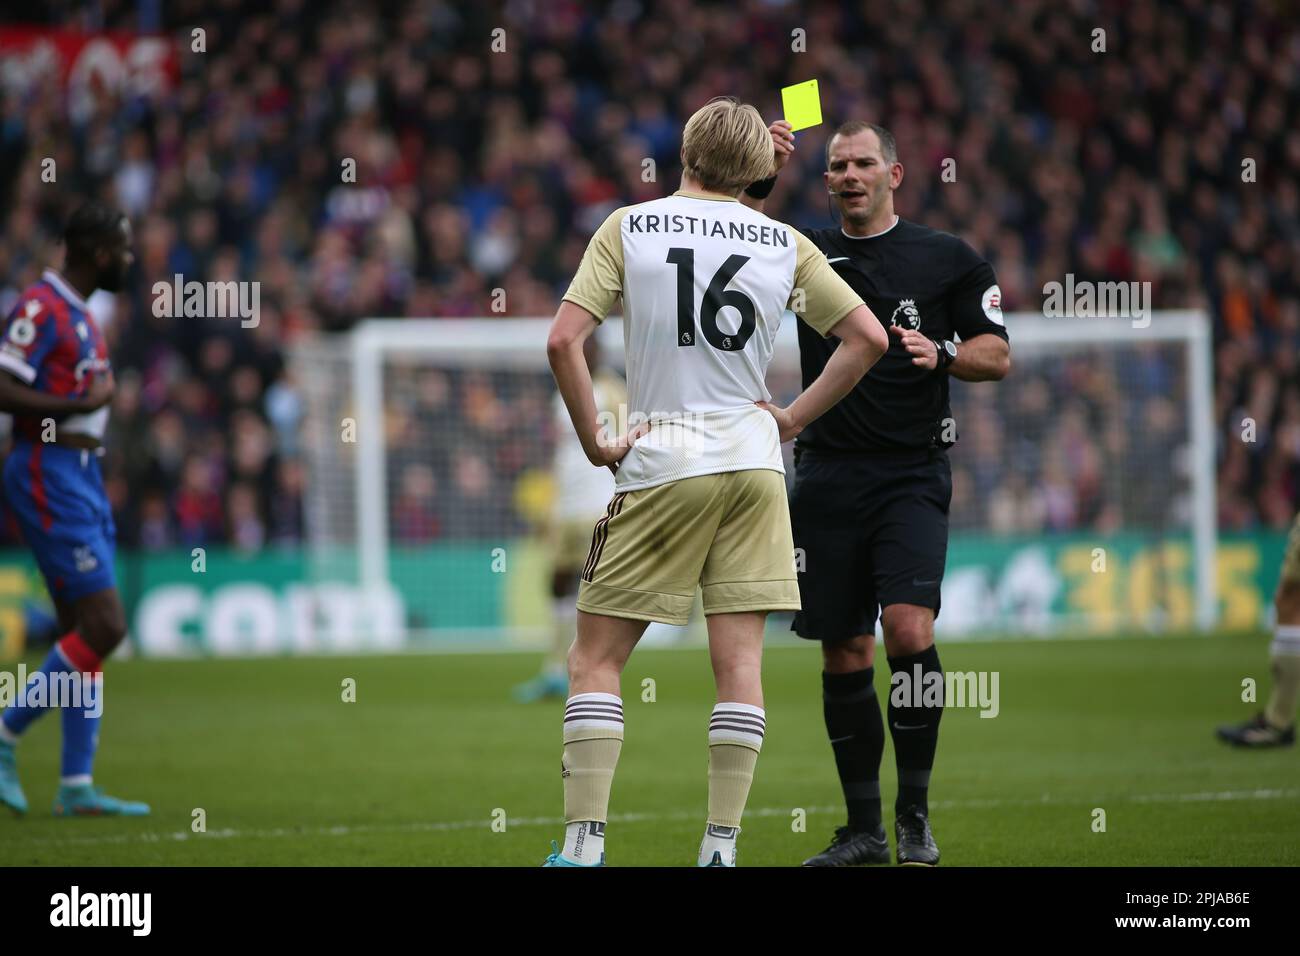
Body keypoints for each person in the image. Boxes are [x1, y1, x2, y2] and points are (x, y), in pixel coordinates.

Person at [542, 97, 887, 866]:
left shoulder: (630, 226)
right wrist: (791, 419)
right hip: (757, 467)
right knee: (739, 669)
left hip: (666, 459)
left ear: (685, 156)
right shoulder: (785, 242)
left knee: (595, 662)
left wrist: (598, 439)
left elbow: (564, 339)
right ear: (760, 168)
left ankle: (583, 848)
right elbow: (867, 337)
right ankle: (720, 850)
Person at [742, 120, 1010, 865]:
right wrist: (765, 165)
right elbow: (732, 228)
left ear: (895, 174)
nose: (849, 175)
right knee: (845, 648)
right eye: (836, 167)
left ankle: (914, 816)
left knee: (907, 630)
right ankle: (862, 831)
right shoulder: (802, 251)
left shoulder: (948, 258)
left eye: (863, 163)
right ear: (825, 180)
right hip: (826, 473)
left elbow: (997, 354)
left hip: (911, 474)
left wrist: (947, 352)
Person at [0, 201, 149, 817]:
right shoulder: (42, 307)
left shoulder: (82, 314)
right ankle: (5, 733)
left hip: (80, 472)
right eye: (124, 246)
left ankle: (76, 784)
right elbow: (2, 384)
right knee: (106, 626)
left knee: (80, 633)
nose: (131, 257)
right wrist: (77, 406)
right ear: (95, 251)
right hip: (47, 466)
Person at [513, 334, 626, 703]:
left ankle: (593, 668)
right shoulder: (561, 393)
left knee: (591, 585)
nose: (584, 352)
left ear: (599, 351)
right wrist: (550, 505)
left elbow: (629, 441)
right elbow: (560, 454)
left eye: (590, 346)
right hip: (566, 507)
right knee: (558, 583)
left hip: (600, 503)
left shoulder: (613, 391)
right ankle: (554, 671)